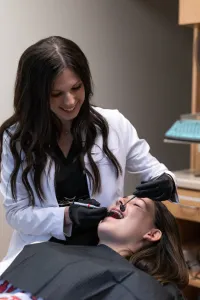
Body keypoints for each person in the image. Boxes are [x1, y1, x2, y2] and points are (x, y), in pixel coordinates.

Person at [0, 36, 178, 272]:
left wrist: (166, 181)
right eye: (56, 94)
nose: (70, 101)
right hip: (42, 253)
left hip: (104, 253)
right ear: (35, 95)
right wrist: (65, 216)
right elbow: (16, 213)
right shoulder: (16, 139)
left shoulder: (113, 124)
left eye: (76, 88)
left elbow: (155, 171)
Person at [0, 197, 188, 300]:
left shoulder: (143, 287)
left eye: (136, 204)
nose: (121, 202)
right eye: (121, 199)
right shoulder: (42, 249)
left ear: (153, 234)